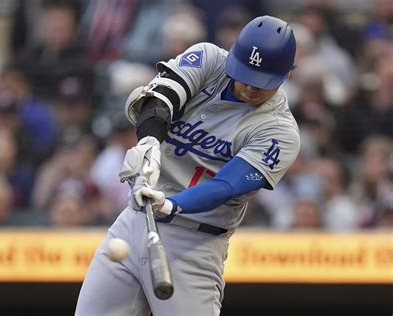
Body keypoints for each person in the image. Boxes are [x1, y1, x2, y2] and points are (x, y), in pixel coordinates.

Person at [75, 15, 300, 315]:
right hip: (133, 222)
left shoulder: (280, 131)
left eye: (260, 81)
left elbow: (226, 186)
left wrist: (172, 205)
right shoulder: (208, 59)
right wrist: (150, 143)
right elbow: (159, 100)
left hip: (194, 244)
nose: (248, 86)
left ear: (285, 75)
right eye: (244, 73)